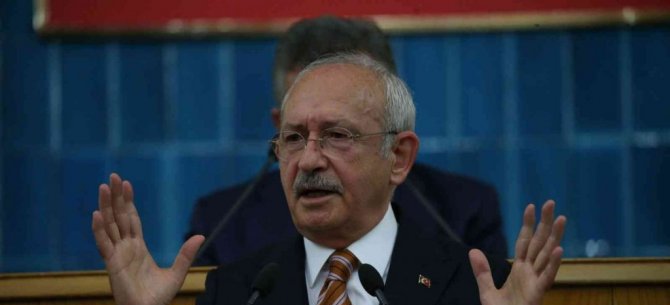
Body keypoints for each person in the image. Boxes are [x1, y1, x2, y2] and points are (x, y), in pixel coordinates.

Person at [94, 53, 600, 305]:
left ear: (398, 157)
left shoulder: (469, 288)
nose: (308, 160)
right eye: (293, 139)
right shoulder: (236, 293)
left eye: (336, 136)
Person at [188, 16, 508, 266]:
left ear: (397, 143)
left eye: (338, 133)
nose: (310, 159)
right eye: (296, 133)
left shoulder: (462, 215)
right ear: (279, 125)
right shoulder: (221, 226)